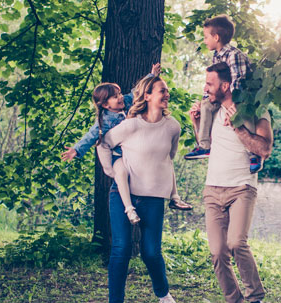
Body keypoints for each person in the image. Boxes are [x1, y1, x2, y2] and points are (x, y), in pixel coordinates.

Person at [189, 62, 273, 303]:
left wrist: (237, 124)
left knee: (236, 242)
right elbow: (209, 148)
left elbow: (264, 149)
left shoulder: (254, 110)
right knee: (217, 252)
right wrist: (196, 123)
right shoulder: (210, 109)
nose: (205, 88)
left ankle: (256, 299)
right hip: (213, 189)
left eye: (210, 84)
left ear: (226, 85)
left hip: (241, 187)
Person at [100, 74, 185, 303]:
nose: (166, 93)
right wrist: (111, 171)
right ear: (147, 95)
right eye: (162, 90)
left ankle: (163, 295)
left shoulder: (173, 126)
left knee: (150, 252)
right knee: (121, 249)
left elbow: (168, 159)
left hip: (153, 198)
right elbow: (103, 144)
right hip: (123, 195)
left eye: (167, 90)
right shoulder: (131, 125)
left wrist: (173, 194)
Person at [60, 64, 192, 224]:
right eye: (115, 97)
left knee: (165, 161)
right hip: (118, 157)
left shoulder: (127, 102)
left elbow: (137, 91)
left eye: (119, 93)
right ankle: (129, 210)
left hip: (135, 154)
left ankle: (175, 197)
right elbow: (91, 137)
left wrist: (151, 76)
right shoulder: (104, 120)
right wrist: (76, 150)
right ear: (106, 105)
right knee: (120, 174)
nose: (120, 97)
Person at [184, 14, 263, 174]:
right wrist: (206, 98)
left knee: (241, 113)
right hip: (224, 92)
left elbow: (238, 80)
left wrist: (232, 105)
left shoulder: (234, 55)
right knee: (206, 105)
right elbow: (214, 80)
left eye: (206, 37)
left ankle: (254, 154)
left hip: (241, 95)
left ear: (216, 37)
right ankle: (204, 146)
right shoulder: (216, 56)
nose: (205, 41)